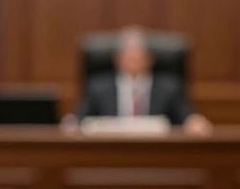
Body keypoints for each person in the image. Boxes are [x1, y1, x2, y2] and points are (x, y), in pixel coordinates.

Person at [69, 27, 212, 135]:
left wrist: (195, 121)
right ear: (117, 59)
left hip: (156, 151)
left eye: (138, 56)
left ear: (150, 59)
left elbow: (187, 116)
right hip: (110, 150)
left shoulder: (169, 88)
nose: (133, 61)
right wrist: (71, 123)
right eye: (129, 57)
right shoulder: (97, 87)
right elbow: (78, 119)